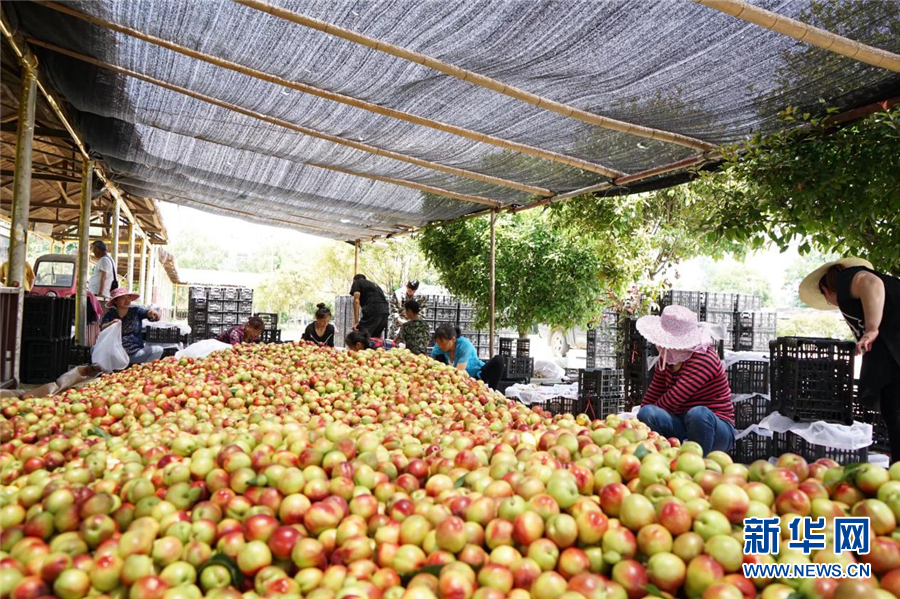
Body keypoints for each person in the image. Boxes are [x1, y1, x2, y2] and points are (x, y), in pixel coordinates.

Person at [800, 257, 900, 458]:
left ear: (826, 290)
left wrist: (871, 329)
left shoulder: (847, 279)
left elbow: (871, 283)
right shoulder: (859, 298)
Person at [634, 305, 735, 455]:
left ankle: (697, 462)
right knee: (648, 412)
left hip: (716, 427)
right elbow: (653, 394)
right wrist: (638, 421)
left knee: (698, 414)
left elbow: (673, 399)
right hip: (682, 421)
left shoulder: (704, 359)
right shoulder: (668, 358)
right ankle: (667, 456)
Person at [430, 324, 505, 390]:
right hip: (450, 381)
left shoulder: (464, 345)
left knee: (499, 360)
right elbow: (430, 362)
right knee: (437, 358)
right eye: (438, 342)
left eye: (442, 342)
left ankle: (492, 391)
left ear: (453, 339)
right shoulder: (439, 346)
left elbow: (459, 373)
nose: (440, 345)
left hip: (474, 376)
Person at [100, 287, 163, 365]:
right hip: (116, 355)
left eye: (128, 298)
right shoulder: (110, 314)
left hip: (135, 354)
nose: (127, 300)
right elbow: (102, 328)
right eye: (123, 298)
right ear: (115, 301)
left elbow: (147, 313)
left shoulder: (136, 311)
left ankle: (144, 371)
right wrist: (111, 324)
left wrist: (152, 312)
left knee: (158, 350)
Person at [351, 274, 390, 338]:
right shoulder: (375, 285)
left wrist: (356, 322)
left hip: (373, 310)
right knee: (375, 339)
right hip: (385, 312)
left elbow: (356, 301)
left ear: (354, 280)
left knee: (361, 337)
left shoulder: (357, 282)